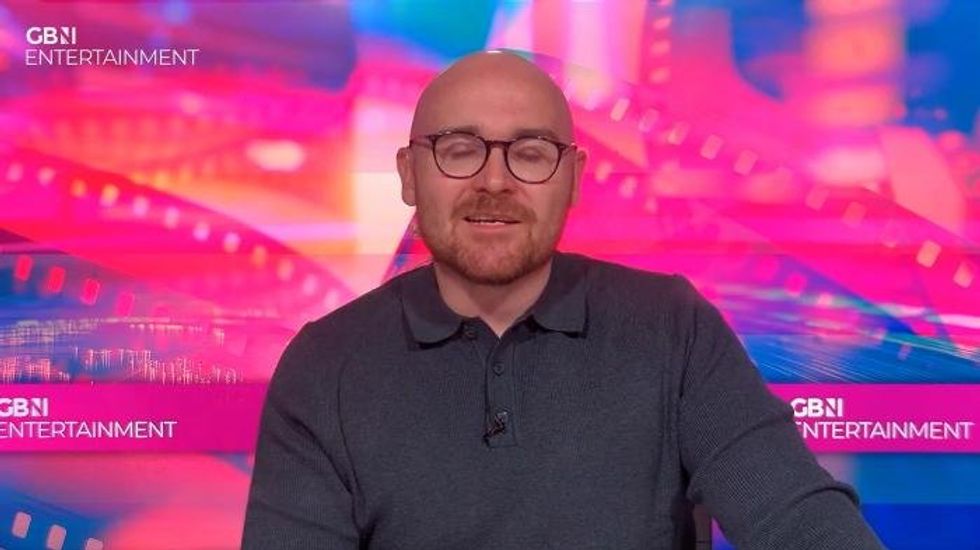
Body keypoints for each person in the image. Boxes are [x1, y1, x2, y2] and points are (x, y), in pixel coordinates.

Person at [242, 50, 884, 549]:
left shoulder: (672, 328)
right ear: (410, 176)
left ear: (573, 179)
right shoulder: (325, 365)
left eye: (530, 153)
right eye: (460, 150)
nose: (494, 181)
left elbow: (799, 519)